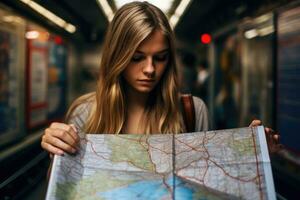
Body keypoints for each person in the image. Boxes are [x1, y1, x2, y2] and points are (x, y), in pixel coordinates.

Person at [41, 1, 280, 158]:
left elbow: (206, 186)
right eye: (136, 58)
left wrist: (250, 157)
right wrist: (57, 151)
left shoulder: (192, 111)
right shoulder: (85, 114)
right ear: (117, 57)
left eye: (161, 57)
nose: (150, 69)